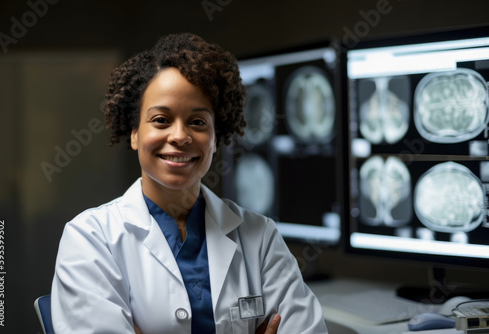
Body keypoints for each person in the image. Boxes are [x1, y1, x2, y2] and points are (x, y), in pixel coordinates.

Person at [51, 32, 328, 334]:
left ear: (215, 139)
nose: (180, 136)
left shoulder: (259, 237)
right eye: (161, 120)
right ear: (134, 134)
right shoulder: (90, 239)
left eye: (198, 122)